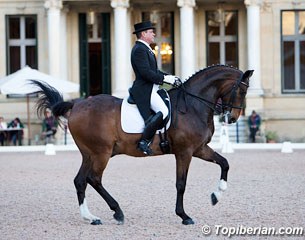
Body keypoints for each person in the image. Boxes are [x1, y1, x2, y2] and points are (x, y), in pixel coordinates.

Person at [129, 20, 181, 155]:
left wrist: (170, 78)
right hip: (144, 89)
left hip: (152, 87)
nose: (154, 34)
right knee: (163, 111)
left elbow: (155, 72)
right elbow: (146, 73)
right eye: (151, 32)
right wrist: (164, 79)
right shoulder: (139, 50)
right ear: (143, 34)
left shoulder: (146, 49)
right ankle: (144, 142)